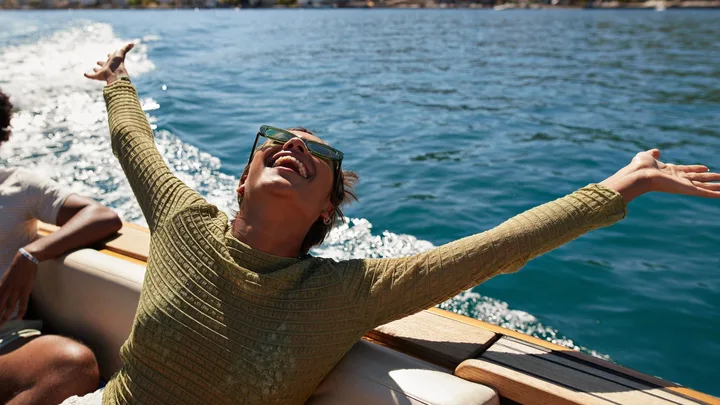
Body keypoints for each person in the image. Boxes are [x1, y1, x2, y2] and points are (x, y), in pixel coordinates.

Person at [76, 43, 719, 405]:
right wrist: (115, 81)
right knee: (59, 359)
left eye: (317, 153)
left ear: (327, 209)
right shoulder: (183, 221)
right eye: (276, 139)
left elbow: (495, 249)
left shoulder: (345, 294)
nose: (295, 147)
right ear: (242, 180)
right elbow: (135, 142)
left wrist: (622, 185)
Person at [0, 88, 124, 405]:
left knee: (70, 364)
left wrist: (31, 255)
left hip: (6, 340)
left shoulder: (18, 186)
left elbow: (101, 216)